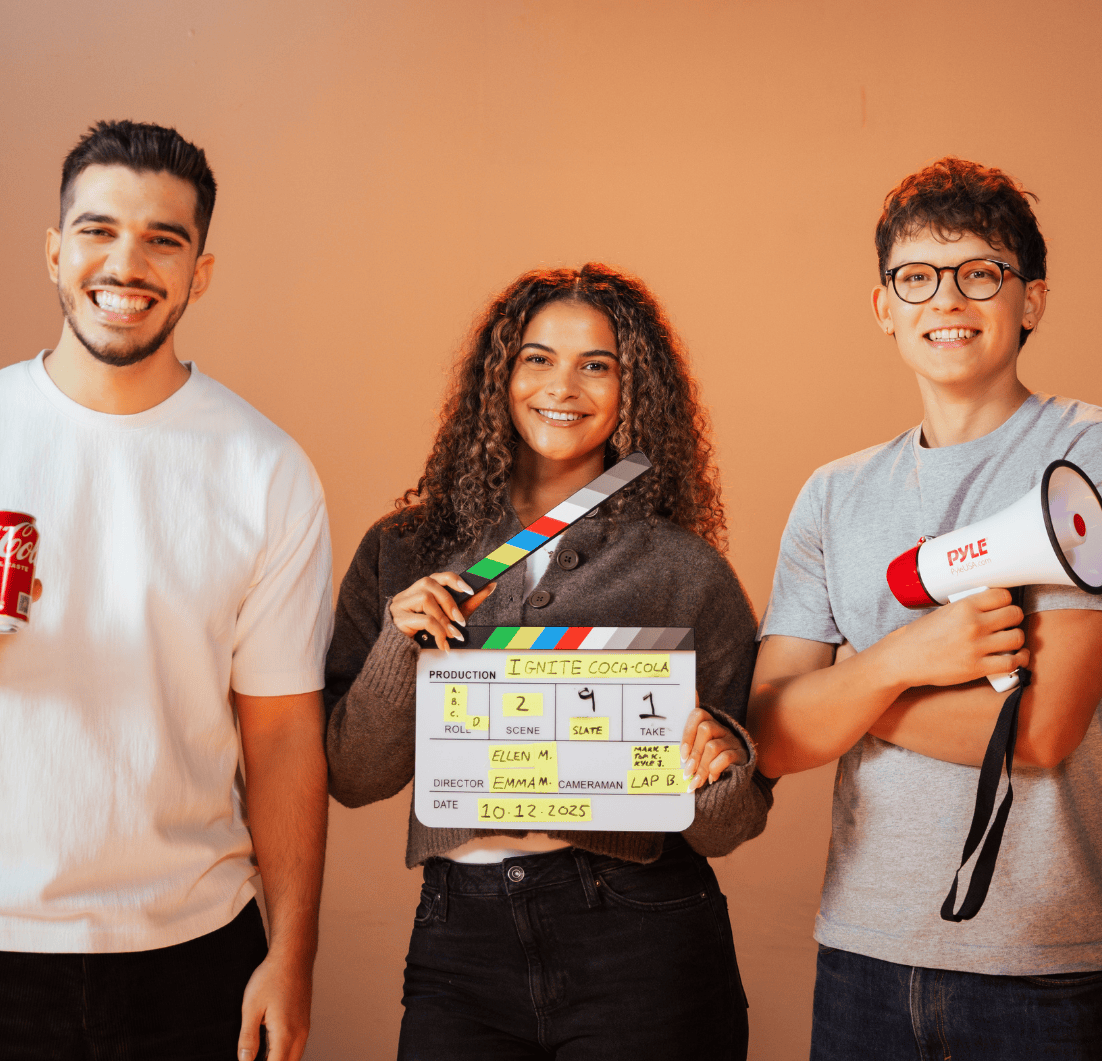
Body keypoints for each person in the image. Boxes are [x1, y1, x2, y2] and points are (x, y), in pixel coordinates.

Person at [0, 120, 333, 1061]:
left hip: (193, 948)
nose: (126, 264)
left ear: (200, 273)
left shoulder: (268, 469)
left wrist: (292, 955)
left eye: (163, 240)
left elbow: (285, 732)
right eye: (99, 231)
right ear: (55, 252)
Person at [748, 158, 1102, 1059]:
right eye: (917, 278)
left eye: (981, 273)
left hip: (1046, 967)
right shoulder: (832, 494)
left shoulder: (1098, 456)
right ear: (884, 307)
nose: (947, 299)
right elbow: (770, 739)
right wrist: (907, 658)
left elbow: (1041, 731)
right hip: (861, 956)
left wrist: (844, 701)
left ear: (1031, 301)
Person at [325, 263, 770, 1060]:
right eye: (537, 358)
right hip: (459, 936)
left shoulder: (685, 570)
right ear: (499, 375)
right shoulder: (404, 549)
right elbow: (353, 778)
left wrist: (721, 768)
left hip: (640, 932)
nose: (563, 386)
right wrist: (400, 645)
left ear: (634, 391)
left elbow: (730, 826)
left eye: (597, 365)